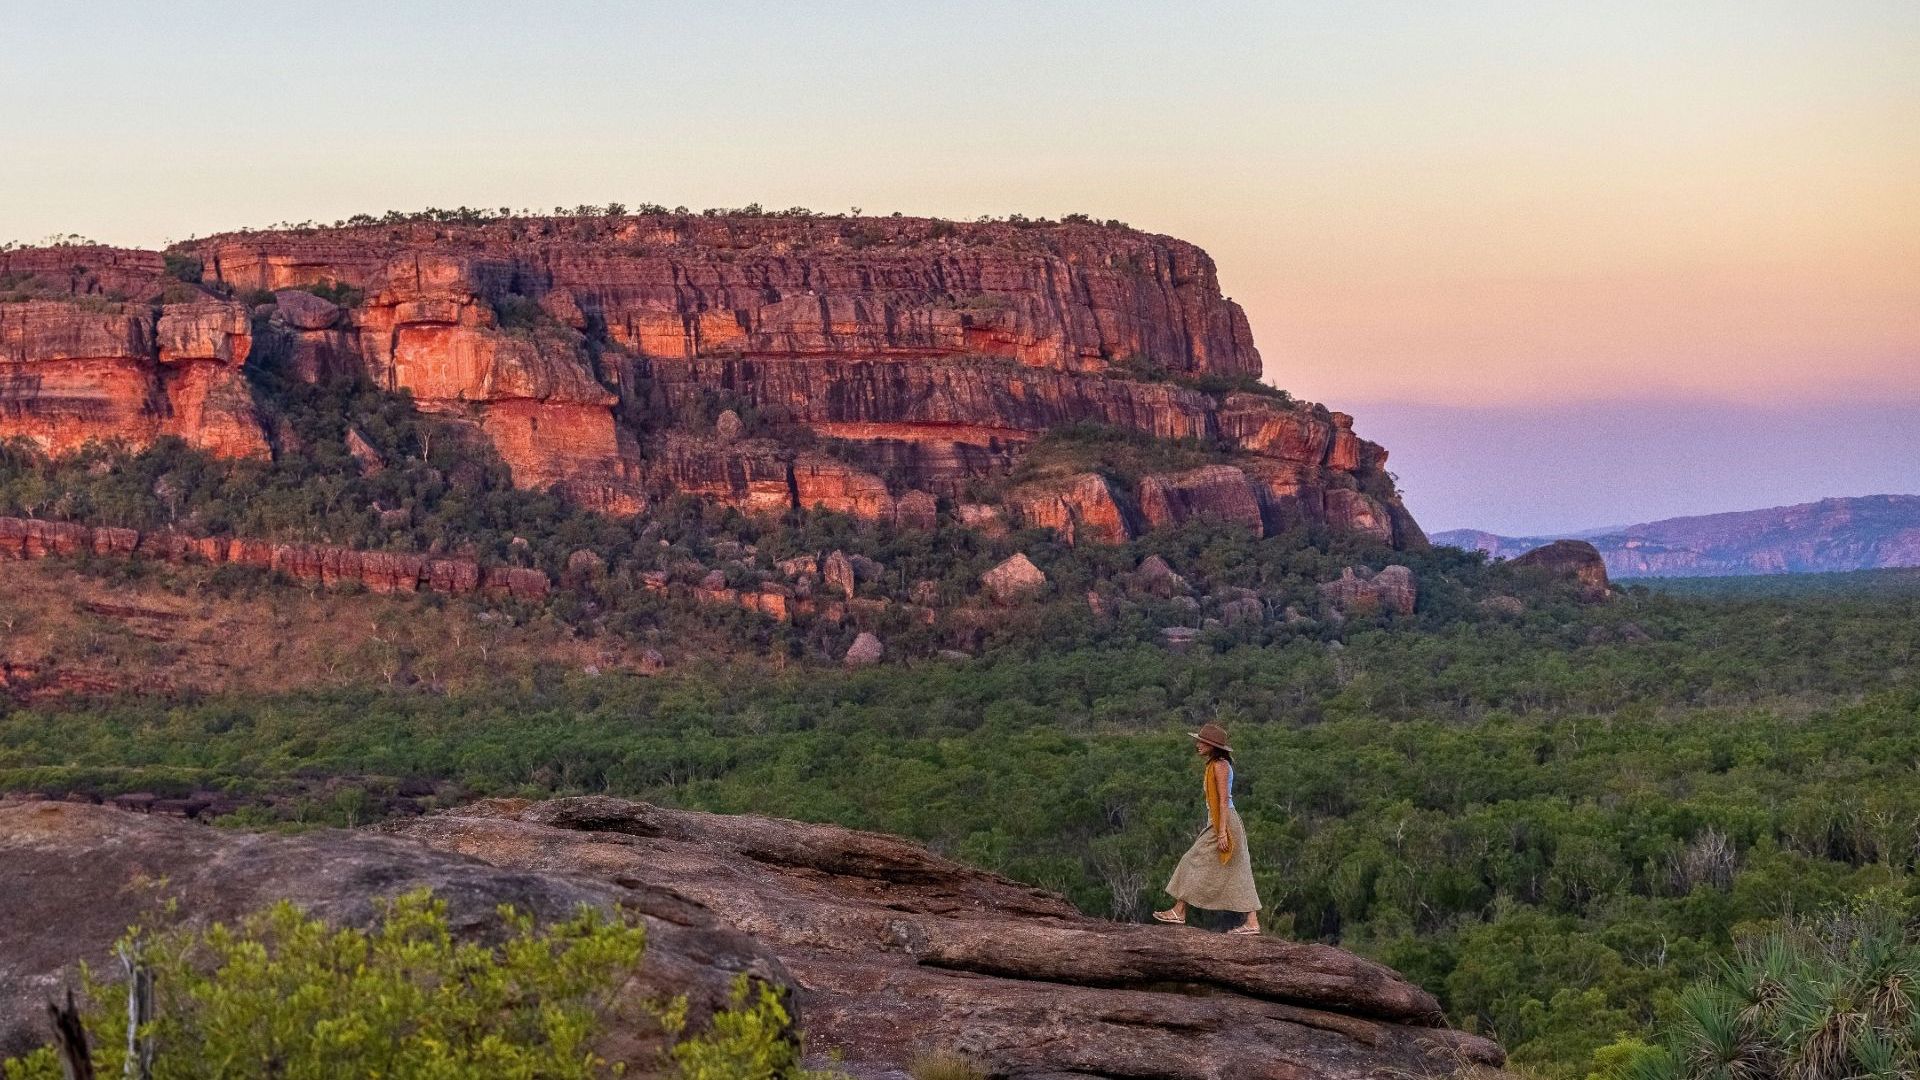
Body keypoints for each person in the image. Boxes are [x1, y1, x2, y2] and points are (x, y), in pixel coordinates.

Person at [1153, 722, 1261, 934]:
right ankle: (1251, 921)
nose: (1198, 745)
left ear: (1213, 746)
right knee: (1237, 869)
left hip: (1225, 821)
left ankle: (1180, 910)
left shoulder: (1220, 765)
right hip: (1221, 820)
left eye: (1202, 742)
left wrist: (1221, 832)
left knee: (1193, 859)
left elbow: (1223, 800)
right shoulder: (1214, 765)